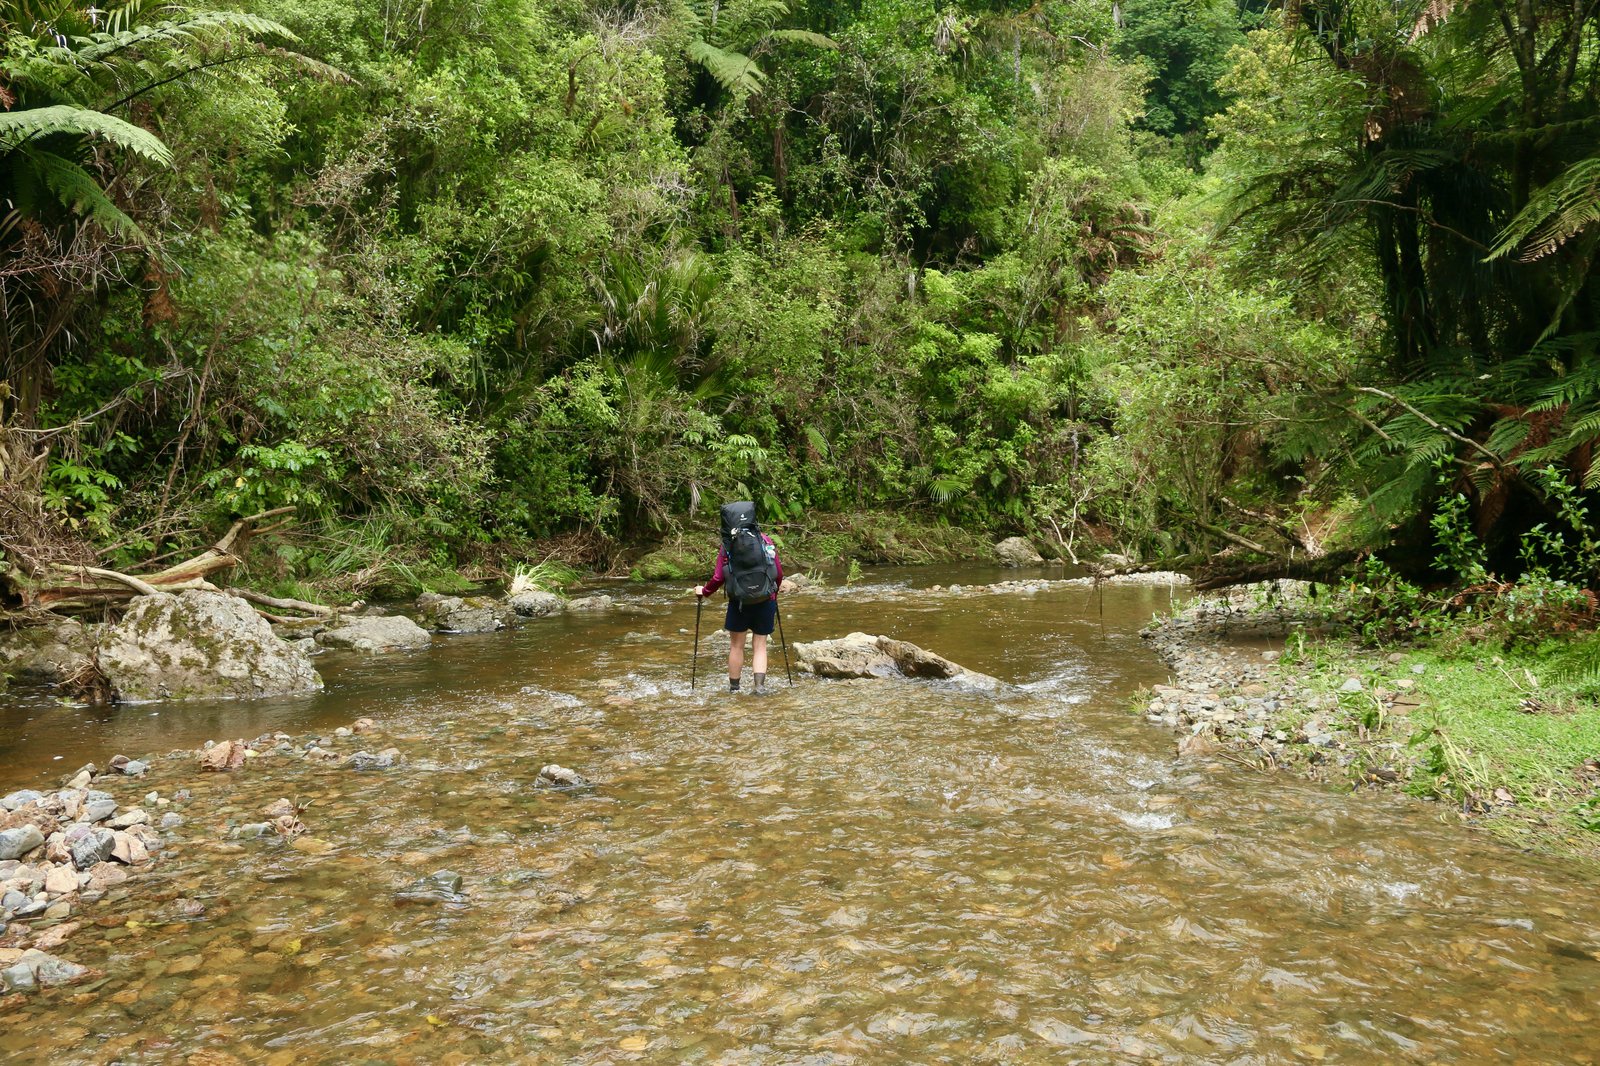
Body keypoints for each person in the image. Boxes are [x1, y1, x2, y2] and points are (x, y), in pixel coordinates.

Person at [694, 517, 783, 693]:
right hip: (765, 600)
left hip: (739, 602)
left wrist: (704, 591)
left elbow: (719, 578)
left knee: (736, 646)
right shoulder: (764, 539)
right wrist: (774, 592)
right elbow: (778, 572)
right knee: (760, 646)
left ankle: (735, 689)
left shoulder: (727, 545)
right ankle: (759, 687)